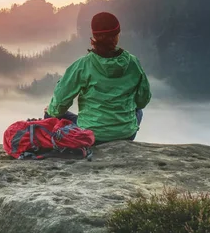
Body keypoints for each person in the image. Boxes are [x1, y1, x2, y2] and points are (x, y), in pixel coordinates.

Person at [44, 12, 151, 145]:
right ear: (117, 35)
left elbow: (60, 101)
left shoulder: (83, 65)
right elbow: (142, 101)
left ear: (94, 36)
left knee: (51, 113)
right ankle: (116, 128)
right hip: (126, 134)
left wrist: (50, 113)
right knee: (138, 110)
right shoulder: (133, 63)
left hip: (91, 135)